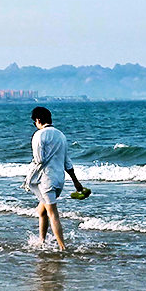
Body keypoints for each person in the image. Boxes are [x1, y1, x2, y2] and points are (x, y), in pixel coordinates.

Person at [23, 106, 87, 251]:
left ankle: (63, 248)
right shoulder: (61, 135)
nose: (35, 125)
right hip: (59, 180)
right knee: (42, 211)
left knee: (53, 214)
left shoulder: (39, 135)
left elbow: (39, 159)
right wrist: (76, 182)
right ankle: (42, 241)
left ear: (38, 120)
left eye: (34, 122)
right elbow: (67, 161)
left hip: (46, 180)